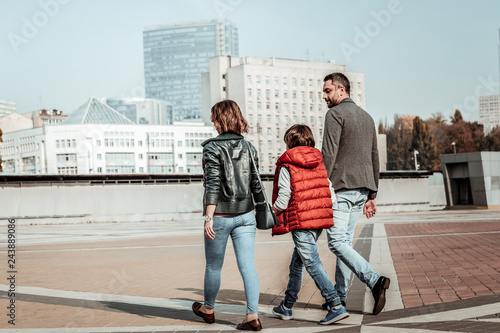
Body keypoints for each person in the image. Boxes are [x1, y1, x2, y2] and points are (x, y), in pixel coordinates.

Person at [192, 100, 264, 331]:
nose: (212, 122)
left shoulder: (211, 147)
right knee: (248, 266)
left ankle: (209, 309)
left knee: (214, 266)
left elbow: (212, 184)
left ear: (219, 120)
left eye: (214, 118)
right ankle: (252, 316)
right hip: (246, 215)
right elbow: (255, 182)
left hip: (221, 216)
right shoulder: (249, 147)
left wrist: (208, 217)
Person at [321, 72, 390, 315]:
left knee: (337, 242)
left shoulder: (335, 114)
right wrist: (372, 194)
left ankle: (374, 281)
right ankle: (339, 296)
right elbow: (374, 156)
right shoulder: (367, 117)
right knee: (345, 244)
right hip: (362, 189)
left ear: (341, 90)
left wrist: (319, 186)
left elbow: (328, 155)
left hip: (342, 188)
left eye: (328, 91)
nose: (324, 96)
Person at [270, 124, 350, 325]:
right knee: (297, 262)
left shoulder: (287, 164)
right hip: (318, 221)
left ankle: (335, 304)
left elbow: (283, 198)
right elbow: (329, 193)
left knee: (312, 262)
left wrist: (272, 213)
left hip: (300, 221)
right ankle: (287, 306)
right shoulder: (319, 162)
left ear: (289, 141)